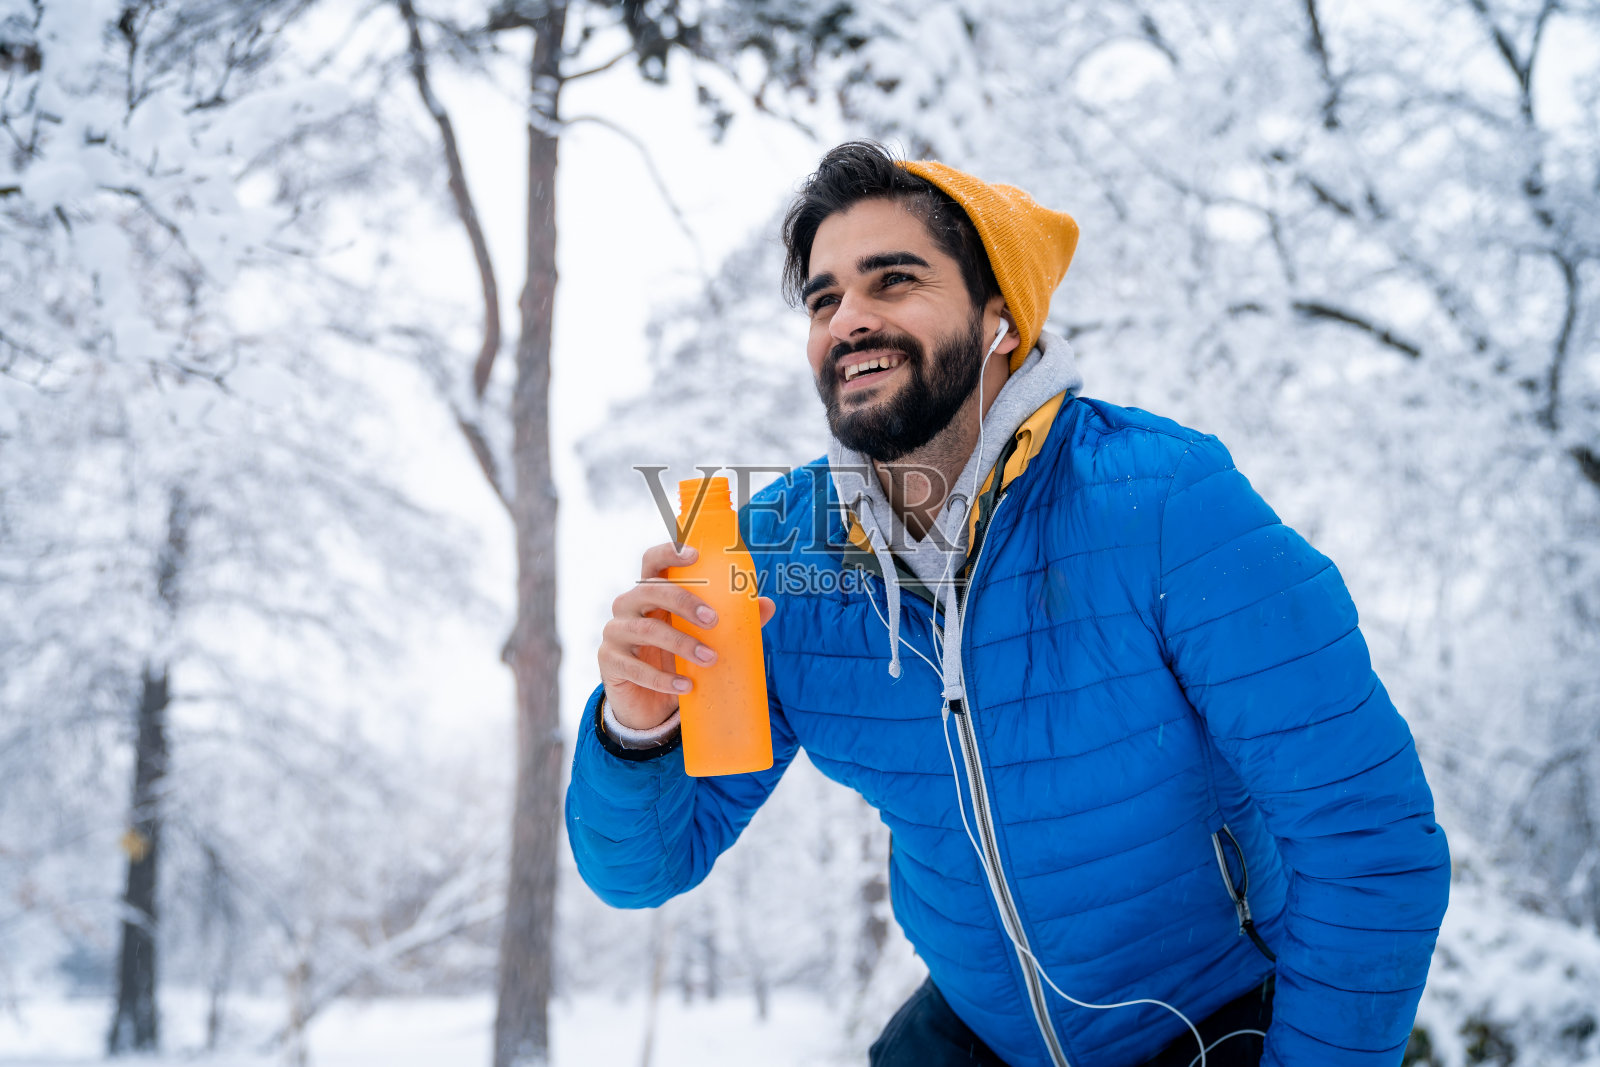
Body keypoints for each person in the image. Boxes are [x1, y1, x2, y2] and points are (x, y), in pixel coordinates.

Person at [566, 140, 1450, 1067]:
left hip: (1215, 1016)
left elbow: (1371, 842)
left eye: (893, 280)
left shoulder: (1164, 504)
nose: (848, 319)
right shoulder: (779, 558)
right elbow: (644, 868)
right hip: (983, 1033)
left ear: (1001, 318)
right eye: (824, 300)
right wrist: (638, 728)